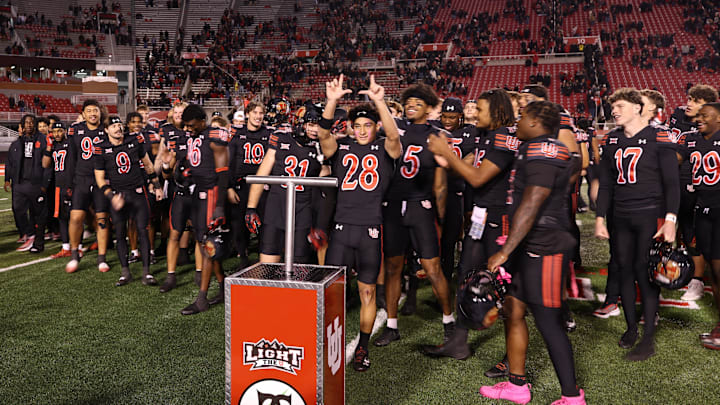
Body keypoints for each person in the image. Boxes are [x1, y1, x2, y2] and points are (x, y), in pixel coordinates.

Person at [480, 100, 586, 405]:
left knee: (548, 321)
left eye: (523, 116)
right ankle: (517, 385)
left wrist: (505, 250)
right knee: (513, 310)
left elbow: (534, 200)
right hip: (529, 244)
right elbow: (573, 164)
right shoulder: (535, 147)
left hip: (545, 246)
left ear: (537, 122)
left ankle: (572, 397)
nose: (518, 119)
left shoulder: (545, 149)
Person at [422, 89, 517, 359]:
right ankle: (459, 343)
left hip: (501, 218)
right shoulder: (484, 135)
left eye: (481, 110)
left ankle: (512, 358)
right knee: (465, 274)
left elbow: (477, 178)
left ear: (497, 112)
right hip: (480, 214)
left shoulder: (506, 137)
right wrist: (444, 159)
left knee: (501, 285)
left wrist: (447, 155)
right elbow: (466, 164)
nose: (474, 114)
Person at [318, 75, 401, 371]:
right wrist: (331, 101)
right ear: (351, 129)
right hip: (341, 230)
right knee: (332, 293)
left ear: (375, 126)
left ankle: (363, 347)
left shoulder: (385, 150)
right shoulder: (342, 150)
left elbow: (394, 139)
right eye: (358, 126)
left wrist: (379, 102)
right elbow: (323, 136)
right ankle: (327, 343)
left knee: (367, 292)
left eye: (368, 125)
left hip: (370, 230)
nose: (363, 130)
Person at [595, 88, 679, 361]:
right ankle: (632, 327)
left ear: (637, 107)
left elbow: (671, 183)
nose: (614, 111)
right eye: (613, 106)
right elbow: (606, 184)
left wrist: (670, 219)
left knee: (646, 273)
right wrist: (599, 218)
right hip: (620, 215)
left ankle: (648, 338)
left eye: (619, 105)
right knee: (624, 270)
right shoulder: (611, 140)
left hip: (648, 214)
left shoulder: (659, 136)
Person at [373, 83, 454, 347]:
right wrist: (379, 101)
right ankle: (392, 325)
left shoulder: (438, 135)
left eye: (418, 103)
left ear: (429, 108)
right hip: (394, 206)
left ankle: (449, 322)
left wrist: (441, 215)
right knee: (393, 267)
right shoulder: (395, 127)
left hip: (421, 206)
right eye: (409, 102)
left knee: (432, 269)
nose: (411, 106)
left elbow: (441, 181)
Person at [245, 106, 325, 264]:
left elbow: (325, 181)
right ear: (300, 123)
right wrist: (251, 207)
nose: (315, 129)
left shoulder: (322, 146)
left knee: (299, 265)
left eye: (318, 125)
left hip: (303, 210)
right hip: (276, 207)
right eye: (311, 124)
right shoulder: (281, 138)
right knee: (268, 263)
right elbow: (262, 174)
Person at [94, 116, 162, 286]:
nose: (118, 128)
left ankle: (146, 273)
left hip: (139, 193)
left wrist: (157, 185)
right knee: (120, 234)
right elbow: (100, 179)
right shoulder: (101, 148)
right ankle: (125, 272)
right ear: (106, 130)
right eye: (113, 126)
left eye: (119, 125)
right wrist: (111, 196)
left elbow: (148, 165)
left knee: (143, 231)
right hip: (118, 195)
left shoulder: (135, 141)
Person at [676, 102, 720, 349]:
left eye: (706, 115)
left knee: (718, 269)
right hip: (702, 210)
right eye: (699, 114)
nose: (699, 118)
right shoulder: (691, 139)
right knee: (713, 273)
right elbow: (673, 159)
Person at [669, 85, 719, 301]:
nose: (689, 104)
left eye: (695, 101)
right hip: (690, 194)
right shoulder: (686, 130)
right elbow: (672, 161)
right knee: (688, 235)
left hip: (709, 198)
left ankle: (698, 279)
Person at [180, 104, 231, 315]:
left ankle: (202, 299)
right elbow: (195, 164)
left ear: (203, 121)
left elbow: (223, 173)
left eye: (192, 125)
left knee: (209, 245)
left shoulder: (214, 136)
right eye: (186, 126)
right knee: (203, 243)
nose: (188, 129)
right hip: (198, 193)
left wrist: (219, 205)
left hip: (211, 193)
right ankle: (223, 287)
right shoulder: (195, 136)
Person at [65, 99, 110, 273]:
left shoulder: (106, 130)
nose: (92, 113)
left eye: (95, 110)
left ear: (100, 112)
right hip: (81, 180)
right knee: (76, 218)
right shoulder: (75, 130)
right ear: (83, 113)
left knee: (101, 220)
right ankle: (75, 253)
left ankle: (102, 258)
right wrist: (70, 183)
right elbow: (72, 158)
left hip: (101, 181)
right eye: (89, 110)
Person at [228, 101, 271, 267]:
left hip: (262, 185)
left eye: (261, 113)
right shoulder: (237, 135)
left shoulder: (269, 134)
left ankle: (264, 256)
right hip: (242, 185)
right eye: (255, 113)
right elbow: (230, 163)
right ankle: (243, 257)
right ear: (247, 114)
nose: (258, 116)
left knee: (264, 222)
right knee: (239, 223)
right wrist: (229, 187)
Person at [6, 114, 50, 253]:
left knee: (39, 215)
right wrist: (8, 179)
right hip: (20, 184)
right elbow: (10, 163)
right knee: (17, 209)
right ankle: (29, 234)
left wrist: (44, 183)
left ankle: (38, 244)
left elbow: (49, 164)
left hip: (36, 184)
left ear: (35, 124)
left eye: (31, 122)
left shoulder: (43, 140)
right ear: (22, 125)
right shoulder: (17, 143)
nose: (29, 125)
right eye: (26, 123)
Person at [42, 122, 75, 258]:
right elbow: (45, 164)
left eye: (60, 131)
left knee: (76, 217)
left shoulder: (71, 144)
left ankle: (77, 246)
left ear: (65, 131)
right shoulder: (53, 145)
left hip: (73, 184)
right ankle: (66, 247)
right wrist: (49, 147)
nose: (57, 134)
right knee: (62, 217)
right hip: (58, 186)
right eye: (54, 131)